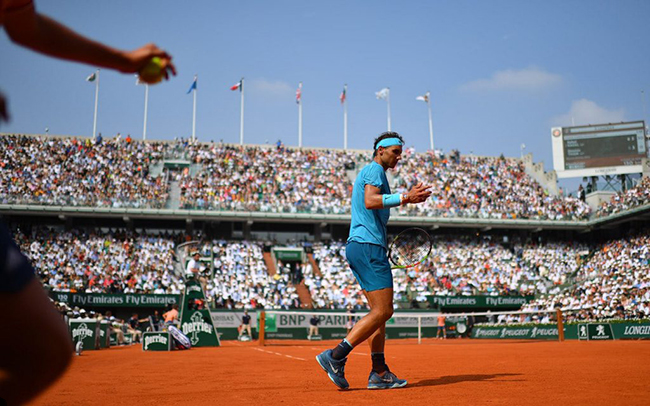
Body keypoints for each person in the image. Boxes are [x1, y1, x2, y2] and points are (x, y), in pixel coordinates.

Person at [316, 132, 431, 390]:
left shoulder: (377, 172)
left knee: (378, 315)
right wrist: (406, 198)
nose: (399, 157)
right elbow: (370, 201)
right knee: (384, 311)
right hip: (368, 247)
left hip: (362, 246)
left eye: (400, 152)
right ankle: (335, 356)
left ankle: (378, 371)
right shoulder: (374, 170)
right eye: (395, 152)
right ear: (380, 150)